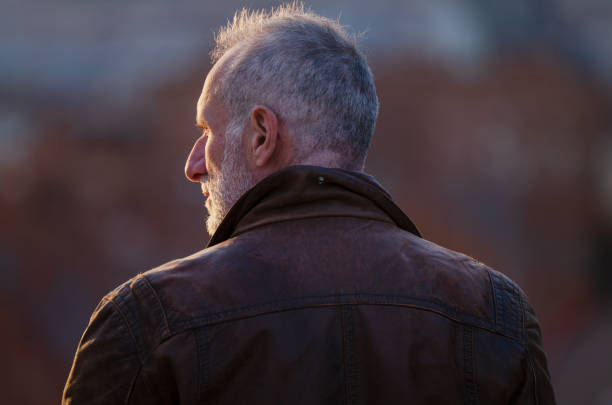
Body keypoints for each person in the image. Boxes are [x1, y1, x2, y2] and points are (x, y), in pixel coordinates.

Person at [62, 4, 555, 404]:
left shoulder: (150, 322)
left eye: (207, 132)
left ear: (262, 135)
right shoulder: (493, 314)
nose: (193, 165)